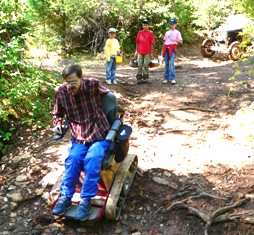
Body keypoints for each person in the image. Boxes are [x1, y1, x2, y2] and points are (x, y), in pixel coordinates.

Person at [51, 64, 111, 221]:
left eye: (74, 82)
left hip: (99, 133)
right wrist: (57, 124)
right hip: (79, 135)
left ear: (81, 78)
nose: (70, 86)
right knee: (74, 159)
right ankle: (65, 197)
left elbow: (109, 97)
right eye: (67, 82)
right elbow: (57, 113)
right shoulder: (61, 92)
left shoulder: (92, 84)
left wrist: (118, 111)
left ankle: (86, 200)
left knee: (92, 159)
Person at [161, 19, 183, 84]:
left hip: (172, 48)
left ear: (175, 24)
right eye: (171, 24)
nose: (172, 25)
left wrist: (175, 40)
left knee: (172, 63)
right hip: (166, 48)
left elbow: (181, 42)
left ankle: (172, 78)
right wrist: (162, 51)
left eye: (173, 24)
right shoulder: (167, 32)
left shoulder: (177, 32)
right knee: (166, 63)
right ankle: (166, 78)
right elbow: (164, 41)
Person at [135, 19, 156, 84]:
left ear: (148, 26)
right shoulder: (140, 33)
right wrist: (136, 51)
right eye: (144, 25)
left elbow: (152, 43)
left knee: (146, 64)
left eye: (146, 25)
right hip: (140, 51)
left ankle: (146, 77)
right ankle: (139, 78)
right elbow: (137, 42)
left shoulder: (150, 33)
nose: (145, 26)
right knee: (139, 64)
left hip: (147, 52)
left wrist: (151, 53)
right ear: (142, 25)